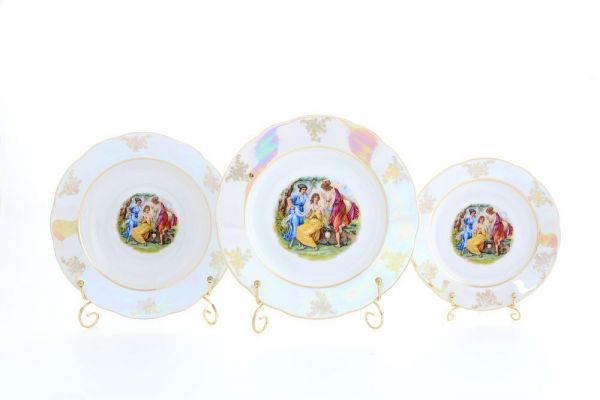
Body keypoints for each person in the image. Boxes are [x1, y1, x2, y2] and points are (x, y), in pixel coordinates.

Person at [320, 180, 359, 248]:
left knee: (336, 227)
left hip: (337, 209)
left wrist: (324, 199)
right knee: (342, 220)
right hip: (342, 207)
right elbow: (342, 196)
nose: (324, 190)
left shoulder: (328, 194)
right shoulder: (335, 189)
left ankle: (338, 244)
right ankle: (340, 226)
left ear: (325, 187)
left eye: (324, 188)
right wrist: (351, 201)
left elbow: (327, 206)